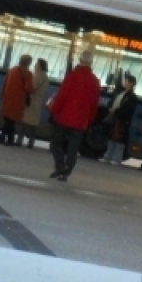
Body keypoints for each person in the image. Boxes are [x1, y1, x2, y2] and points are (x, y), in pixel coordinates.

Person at [46, 49, 101, 182]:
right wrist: (90, 119)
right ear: (91, 62)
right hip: (81, 121)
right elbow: (94, 103)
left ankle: (60, 165)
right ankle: (66, 172)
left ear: (80, 60)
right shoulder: (95, 81)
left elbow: (62, 96)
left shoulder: (72, 76)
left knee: (55, 142)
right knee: (73, 148)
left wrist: (54, 111)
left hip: (65, 117)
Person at [100, 74, 139, 164]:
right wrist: (110, 108)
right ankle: (107, 156)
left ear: (131, 84)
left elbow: (127, 109)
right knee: (111, 137)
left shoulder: (132, 97)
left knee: (119, 139)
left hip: (122, 120)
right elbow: (111, 101)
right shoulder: (120, 93)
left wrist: (116, 111)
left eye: (127, 81)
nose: (125, 83)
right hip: (115, 118)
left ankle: (116, 158)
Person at [0, 54, 33, 146]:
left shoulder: (12, 70)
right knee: (11, 121)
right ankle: (8, 138)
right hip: (18, 101)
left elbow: (4, 84)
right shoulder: (28, 74)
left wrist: (1, 97)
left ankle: (4, 137)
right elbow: (28, 88)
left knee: (8, 120)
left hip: (7, 99)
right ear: (29, 63)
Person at [17, 58, 48, 147]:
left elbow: (31, 87)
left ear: (40, 66)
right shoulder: (46, 78)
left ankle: (20, 140)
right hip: (37, 102)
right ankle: (31, 142)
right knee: (33, 125)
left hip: (31, 101)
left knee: (24, 123)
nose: (34, 66)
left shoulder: (37, 76)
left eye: (36, 64)